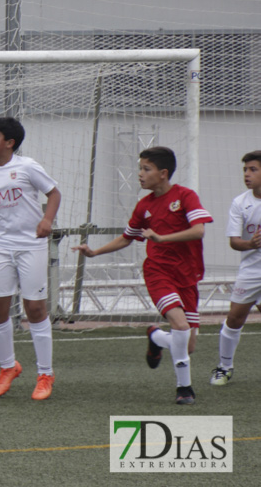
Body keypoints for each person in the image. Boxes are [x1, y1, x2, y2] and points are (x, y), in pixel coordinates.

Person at [72, 146, 212, 405]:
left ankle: (156, 337)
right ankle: (185, 389)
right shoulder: (143, 207)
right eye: (140, 168)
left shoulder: (185, 196)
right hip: (158, 272)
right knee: (180, 326)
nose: (140, 174)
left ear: (163, 173)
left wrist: (162, 237)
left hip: (188, 276)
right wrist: (94, 252)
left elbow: (199, 231)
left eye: (146, 169)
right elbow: (127, 239)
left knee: (187, 346)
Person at [0, 117, 61, 401]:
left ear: (9, 143)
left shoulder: (28, 166)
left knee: (35, 310)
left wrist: (46, 220)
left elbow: (54, 193)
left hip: (31, 245)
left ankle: (45, 373)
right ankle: (8, 367)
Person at [209, 150, 261, 386]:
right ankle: (224, 367)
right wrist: (250, 243)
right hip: (250, 272)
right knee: (234, 318)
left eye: (253, 169)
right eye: (245, 170)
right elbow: (233, 242)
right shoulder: (240, 203)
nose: (247, 175)